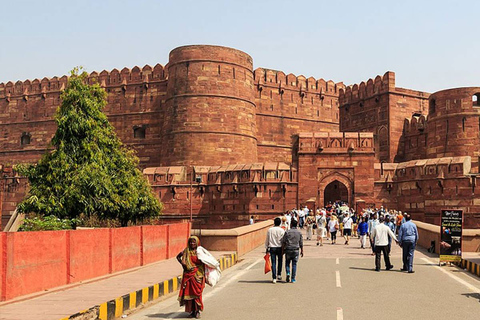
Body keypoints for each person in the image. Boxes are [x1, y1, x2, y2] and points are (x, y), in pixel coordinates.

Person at [177, 236, 217, 319]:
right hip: (188, 275)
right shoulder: (186, 251)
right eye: (191, 242)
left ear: (197, 243)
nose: (192, 243)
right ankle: (192, 311)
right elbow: (178, 257)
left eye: (194, 242)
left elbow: (206, 260)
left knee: (197, 294)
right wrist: (183, 264)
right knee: (189, 293)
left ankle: (197, 311)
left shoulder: (200, 252)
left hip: (198, 275)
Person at [282, 219, 303, 283]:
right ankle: (293, 278)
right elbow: (301, 242)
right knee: (294, 264)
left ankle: (288, 273)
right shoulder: (299, 232)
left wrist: (282, 250)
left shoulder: (287, 232)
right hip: (296, 250)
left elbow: (284, 242)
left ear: (291, 224)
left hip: (288, 249)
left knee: (287, 263)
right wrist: (302, 251)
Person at [265, 217, 286, 283]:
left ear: (274, 223)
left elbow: (267, 240)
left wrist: (266, 248)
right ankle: (279, 274)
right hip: (279, 247)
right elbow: (283, 240)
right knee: (280, 261)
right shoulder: (282, 230)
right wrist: (284, 248)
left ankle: (274, 278)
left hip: (272, 247)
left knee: (273, 262)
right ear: (280, 223)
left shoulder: (270, 230)